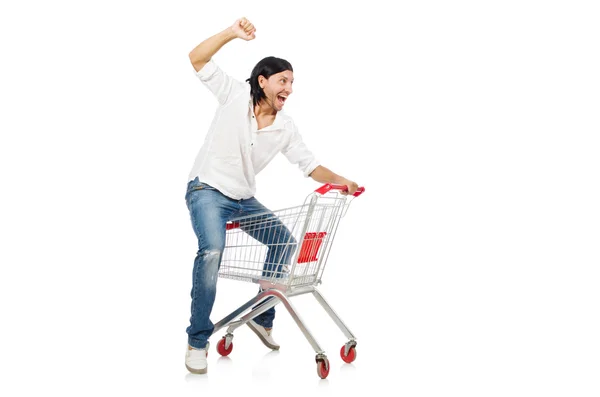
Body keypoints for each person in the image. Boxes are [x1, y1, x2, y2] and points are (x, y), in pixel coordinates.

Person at [184, 17, 360, 375]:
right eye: (283, 81)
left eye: (292, 82)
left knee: (283, 241)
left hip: (243, 199)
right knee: (212, 250)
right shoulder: (233, 94)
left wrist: (344, 180)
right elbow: (196, 58)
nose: (289, 89)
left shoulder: (285, 127)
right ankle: (197, 340)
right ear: (261, 81)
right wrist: (232, 34)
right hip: (206, 189)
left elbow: (310, 167)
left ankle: (263, 315)